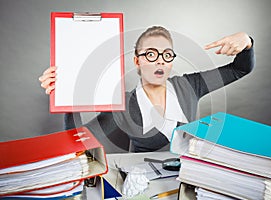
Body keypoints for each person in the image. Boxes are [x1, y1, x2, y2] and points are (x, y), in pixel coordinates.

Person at [39, 26, 255, 152]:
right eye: (150, 54)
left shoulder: (190, 85)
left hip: (188, 180)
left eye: (166, 55)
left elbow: (240, 69)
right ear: (137, 61)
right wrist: (66, 96)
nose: (159, 61)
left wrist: (247, 42)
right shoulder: (123, 105)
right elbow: (77, 142)